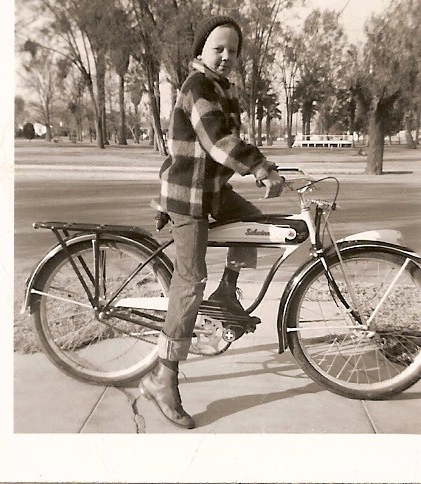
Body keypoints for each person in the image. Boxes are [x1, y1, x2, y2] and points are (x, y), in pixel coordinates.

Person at [139, 15, 284, 429]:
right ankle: (163, 376)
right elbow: (218, 141)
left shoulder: (224, 89)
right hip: (188, 195)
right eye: (218, 48)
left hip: (212, 192)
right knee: (190, 280)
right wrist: (259, 168)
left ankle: (226, 294)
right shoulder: (198, 87)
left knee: (254, 222)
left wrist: (266, 165)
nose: (225, 56)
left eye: (232, 50)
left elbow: (228, 142)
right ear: (201, 50)